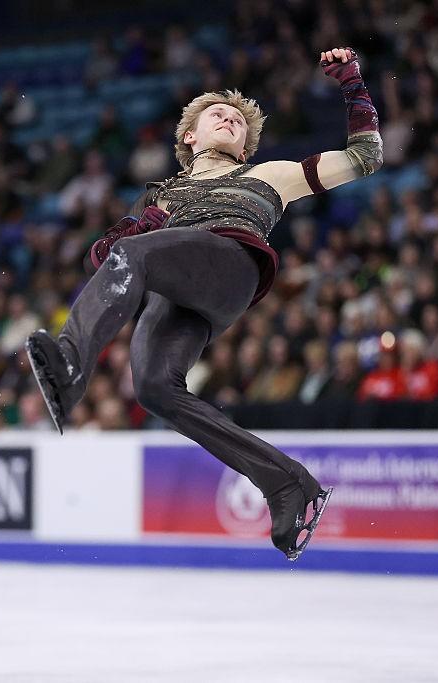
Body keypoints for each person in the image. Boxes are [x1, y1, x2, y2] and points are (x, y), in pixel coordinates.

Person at [27, 47, 382, 560]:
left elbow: (366, 157)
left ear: (245, 145)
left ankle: (70, 365)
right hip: (179, 287)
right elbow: (101, 259)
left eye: (239, 121)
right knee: (154, 389)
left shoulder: (270, 175)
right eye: (217, 113)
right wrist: (130, 230)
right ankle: (288, 484)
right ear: (189, 136)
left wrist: (352, 83)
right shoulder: (161, 195)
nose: (230, 119)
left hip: (231, 265)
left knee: (134, 257)